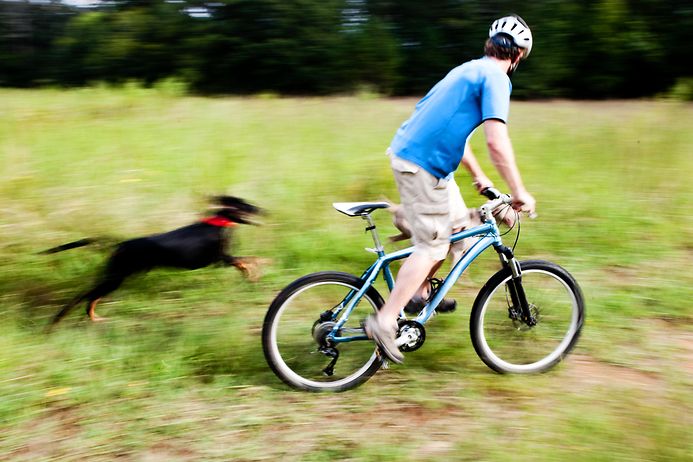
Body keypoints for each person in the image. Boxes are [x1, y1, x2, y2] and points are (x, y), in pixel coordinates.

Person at [364, 15, 537, 364]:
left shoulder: (468, 70)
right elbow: (496, 141)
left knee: (460, 230)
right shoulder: (497, 80)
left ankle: (420, 291)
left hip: (423, 163)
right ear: (518, 56)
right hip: (421, 166)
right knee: (433, 245)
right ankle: (383, 321)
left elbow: (455, 132)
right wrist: (519, 191)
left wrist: (480, 177)